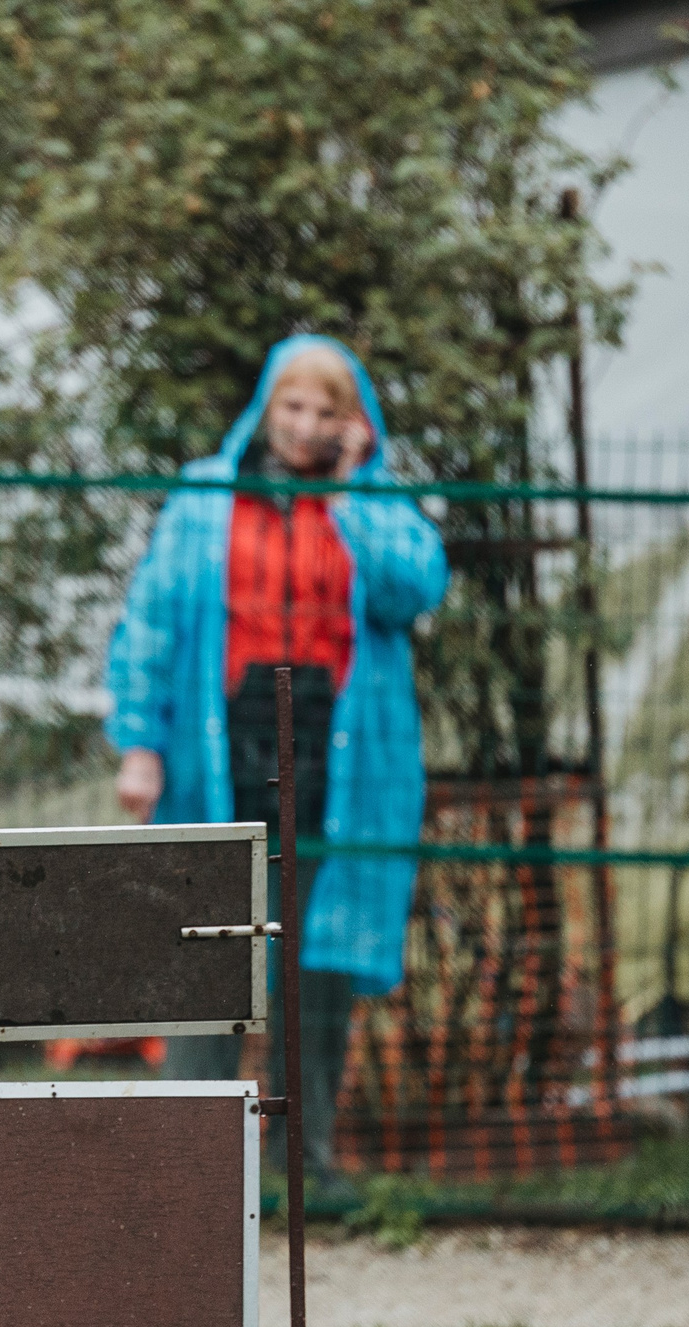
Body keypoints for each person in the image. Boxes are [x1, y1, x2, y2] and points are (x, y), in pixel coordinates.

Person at [105, 335, 447, 1179]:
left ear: (353, 424)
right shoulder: (204, 498)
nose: (304, 426)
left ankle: (309, 1166)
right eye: (292, 407)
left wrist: (346, 491)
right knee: (204, 937)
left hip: (341, 752)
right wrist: (141, 746)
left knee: (318, 948)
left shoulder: (375, 506)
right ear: (266, 408)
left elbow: (416, 591)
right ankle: (200, 1168)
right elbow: (149, 621)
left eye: (326, 413)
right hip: (217, 745)